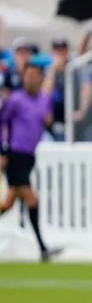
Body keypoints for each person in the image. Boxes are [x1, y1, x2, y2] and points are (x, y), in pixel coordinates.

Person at [0, 63, 58, 261]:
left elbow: (46, 120)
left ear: (40, 79)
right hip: (15, 153)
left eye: (35, 76)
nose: (31, 79)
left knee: (8, 203)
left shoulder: (44, 100)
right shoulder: (15, 100)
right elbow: (3, 122)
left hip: (29, 156)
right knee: (31, 199)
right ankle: (42, 247)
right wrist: (3, 151)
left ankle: (43, 248)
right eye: (28, 76)